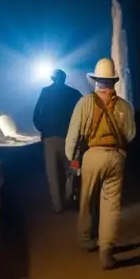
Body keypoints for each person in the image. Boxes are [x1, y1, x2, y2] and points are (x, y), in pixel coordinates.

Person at [65, 58, 136, 270]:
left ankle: (86, 240)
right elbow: (131, 135)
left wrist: (72, 160)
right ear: (113, 82)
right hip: (115, 156)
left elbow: (73, 136)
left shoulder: (84, 103)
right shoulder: (124, 106)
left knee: (86, 200)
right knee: (111, 205)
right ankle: (106, 250)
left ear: (96, 81)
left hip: (91, 155)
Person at [33, 69, 82, 212]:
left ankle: (58, 205)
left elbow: (36, 115)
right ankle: (72, 197)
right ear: (64, 78)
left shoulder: (45, 92)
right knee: (73, 169)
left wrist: (44, 129)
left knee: (53, 173)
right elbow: (83, 112)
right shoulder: (74, 93)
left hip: (50, 140)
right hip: (71, 139)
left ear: (52, 78)